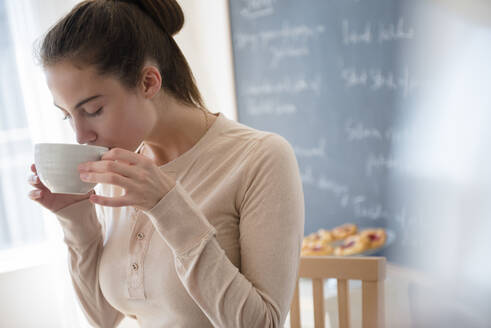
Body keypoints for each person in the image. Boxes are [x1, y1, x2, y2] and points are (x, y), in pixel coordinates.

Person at [27, 0, 305, 327]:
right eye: (67, 115)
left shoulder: (260, 158)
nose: (80, 135)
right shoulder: (120, 165)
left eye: (92, 111)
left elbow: (264, 324)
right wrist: (76, 219)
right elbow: (103, 317)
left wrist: (167, 207)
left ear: (148, 82)